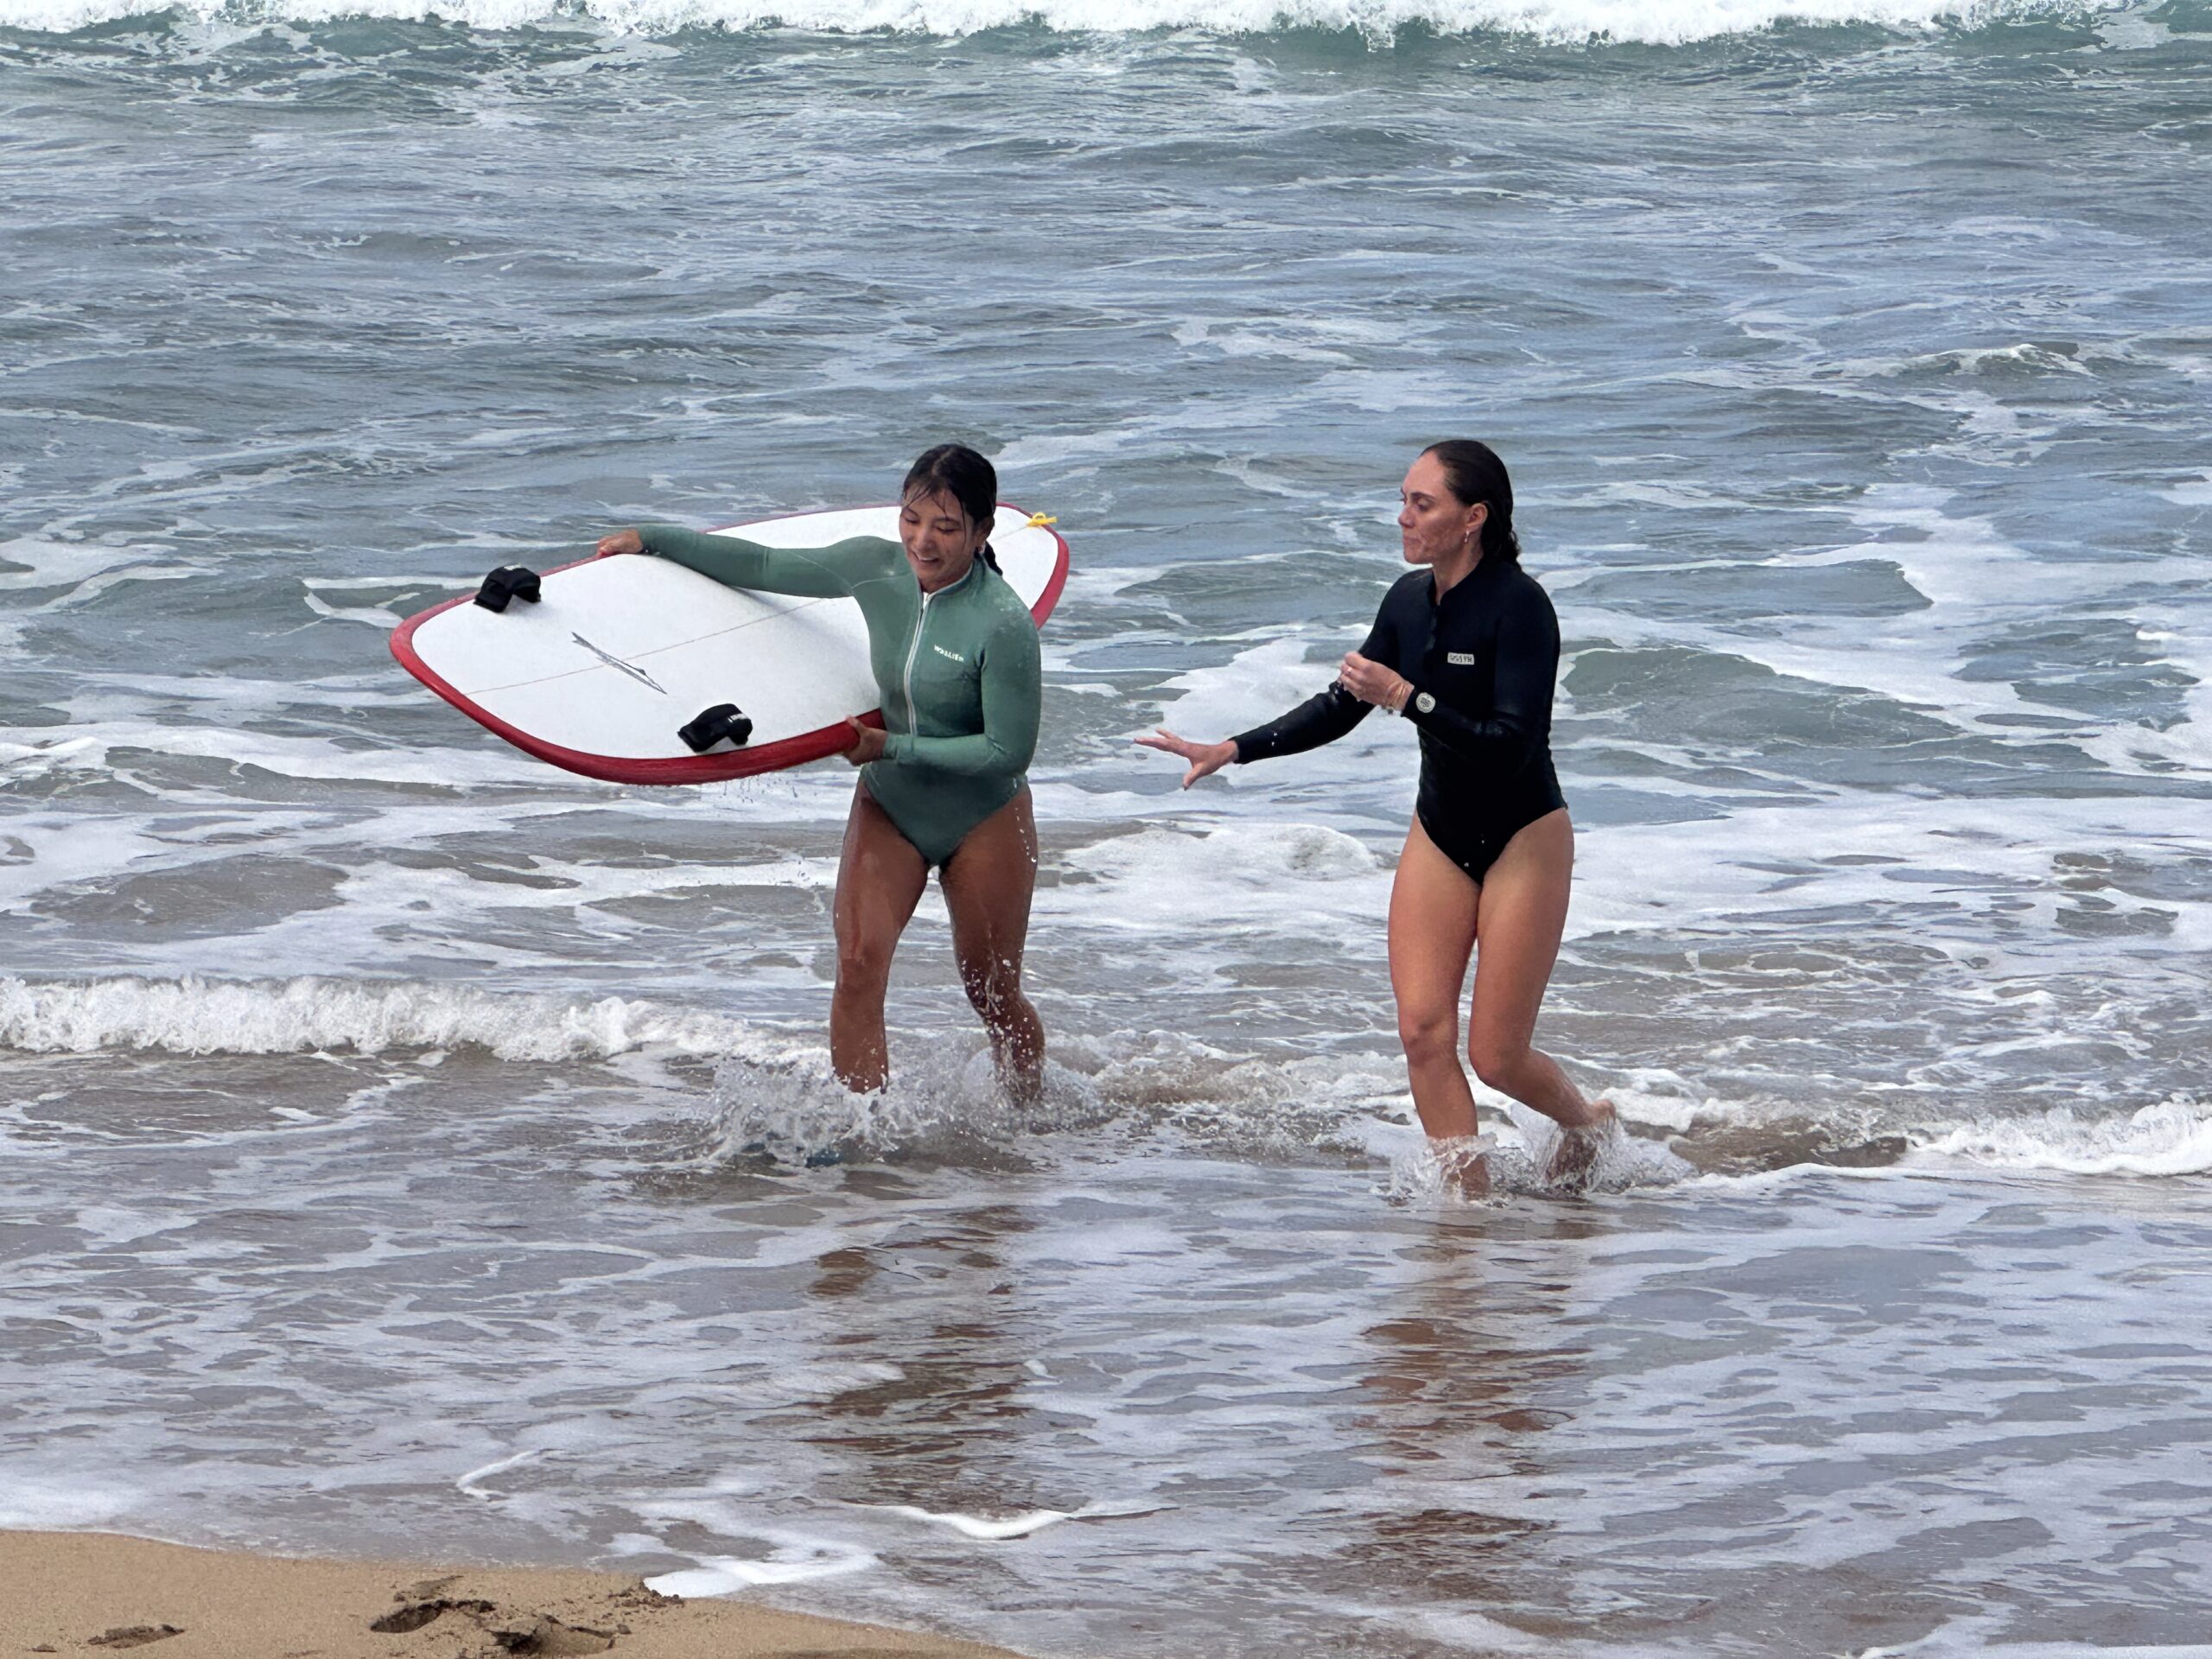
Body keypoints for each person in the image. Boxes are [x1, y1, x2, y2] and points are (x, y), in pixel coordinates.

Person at [1138, 441, 1612, 1192]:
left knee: (1497, 1055)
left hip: (1523, 836)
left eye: (1421, 504)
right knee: (1423, 1032)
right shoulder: (1405, 601)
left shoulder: (1521, 609)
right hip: (1441, 831)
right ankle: (1469, 1207)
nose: (1403, 516)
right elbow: (1341, 703)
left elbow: (1511, 746)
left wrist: (1410, 698)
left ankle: (1588, 1123)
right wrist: (1234, 747)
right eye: (1404, 498)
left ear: (1473, 518)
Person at [595, 444, 1046, 1102]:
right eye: (912, 519)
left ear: (981, 533)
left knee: (992, 991)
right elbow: (763, 565)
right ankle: (863, 1132)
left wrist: (889, 747)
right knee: (859, 967)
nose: (923, 541)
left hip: (982, 816)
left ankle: (1028, 1121)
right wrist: (656, 540)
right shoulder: (875, 568)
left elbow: (1007, 752)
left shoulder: (1002, 623)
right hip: (893, 805)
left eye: (947, 528)